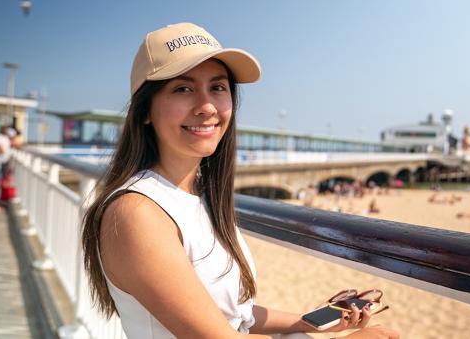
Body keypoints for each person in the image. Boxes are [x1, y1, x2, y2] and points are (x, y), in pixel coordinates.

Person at [80, 23, 399, 339]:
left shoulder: (198, 198)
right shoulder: (137, 213)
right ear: (145, 110)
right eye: (183, 89)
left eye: (217, 88)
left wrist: (306, 322)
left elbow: (234, 316)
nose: (206, 107)